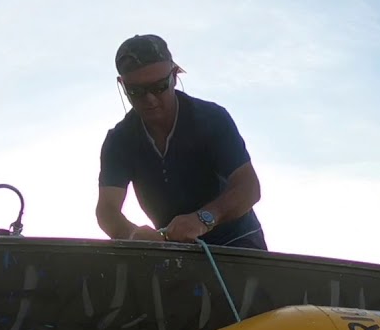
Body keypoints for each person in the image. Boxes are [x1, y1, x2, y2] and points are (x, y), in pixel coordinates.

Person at [95, 34, 267, 250]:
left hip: (237, 244)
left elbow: (249, 187)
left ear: (174, 75)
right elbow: (107, 210)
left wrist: (203, 219)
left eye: (159, 86)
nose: (150, 99)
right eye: (136, 92)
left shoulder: (211, 119)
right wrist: (130, 233)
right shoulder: (118, 141)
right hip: (173, 250)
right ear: (122, 85)